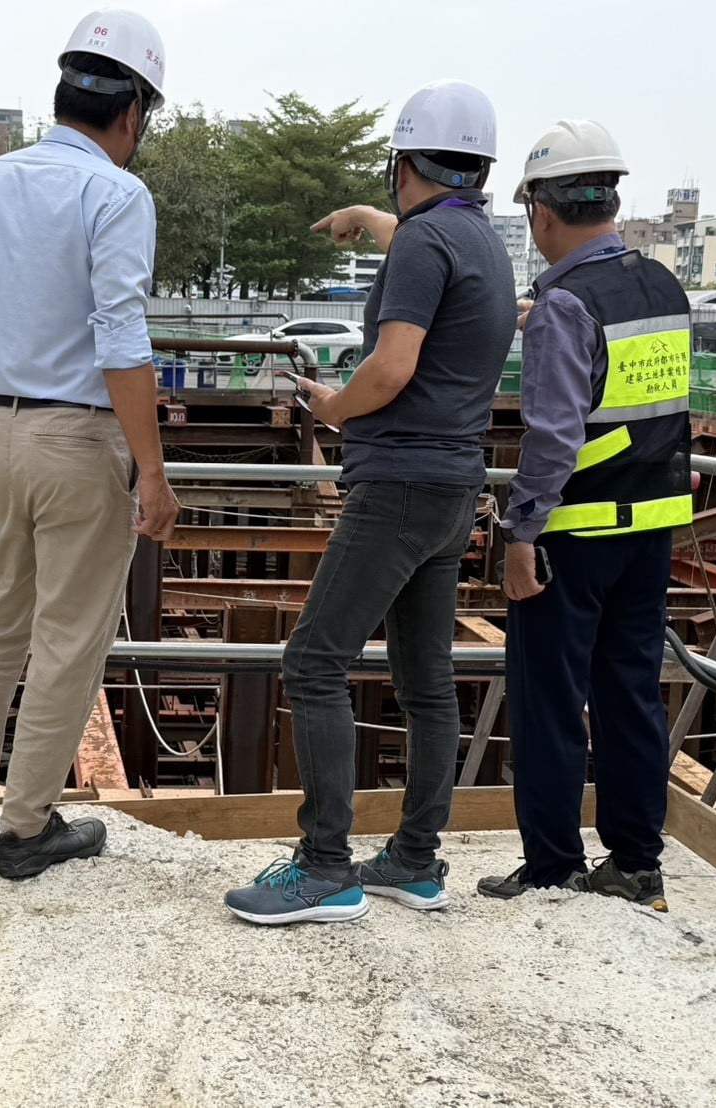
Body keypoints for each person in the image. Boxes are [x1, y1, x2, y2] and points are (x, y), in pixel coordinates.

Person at [225, 80, 516, 925]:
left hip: (394, 485)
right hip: (453, 487)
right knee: (426, 681)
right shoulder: (482, 243)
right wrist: (372, 217)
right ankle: (414, 861)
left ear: (402, 164)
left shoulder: (423, 246)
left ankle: (325, 868)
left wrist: (330, 405)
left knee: (313, 662)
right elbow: (426, 239)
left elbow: (388, 370)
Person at [0, 9, 180, 879]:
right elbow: (121, 340)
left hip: (0, 428)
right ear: (133, 111)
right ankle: (27, 827)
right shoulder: (115, 194)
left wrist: (21, 317)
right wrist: (153, 472)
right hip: (80, 439)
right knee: (70, 635)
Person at [477, 120, 692, 912]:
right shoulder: (662, 286)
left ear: (540, 211)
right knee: (630, 693)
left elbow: (555, 435)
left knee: (546, 699)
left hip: (573, 534)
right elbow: (633, 395)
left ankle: (550, 867)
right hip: (650, 528)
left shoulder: (565, 303)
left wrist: (519, 533)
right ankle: (637, 866)